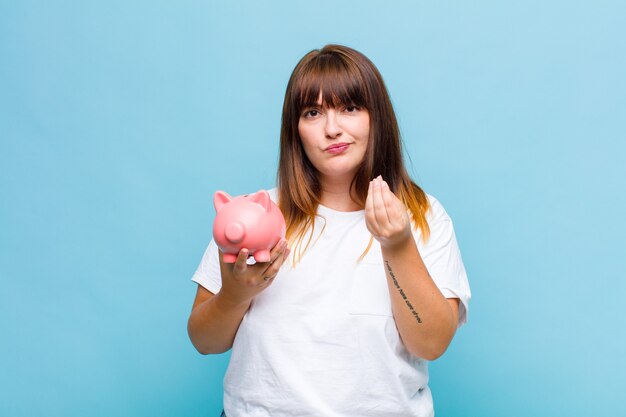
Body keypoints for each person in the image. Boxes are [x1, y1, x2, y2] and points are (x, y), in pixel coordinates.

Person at [188, 44, 471, 417]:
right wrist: (236, 294)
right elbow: (204, 341)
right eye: (313, 112)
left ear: (377, 117)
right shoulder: (253, 216)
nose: (332, 129)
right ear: (296, 130)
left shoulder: (422, 216)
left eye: (350, 108)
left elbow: (431, 343)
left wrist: (398, 245)